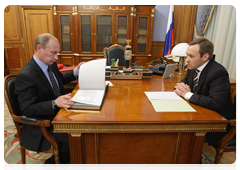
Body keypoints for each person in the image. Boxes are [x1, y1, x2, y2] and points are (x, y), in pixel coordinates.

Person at [15, 33, 85, 170]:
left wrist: (76, 71)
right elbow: (27, 109)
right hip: (44, 122)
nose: (56, 57)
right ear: (39, 48)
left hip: (59, 113)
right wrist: (54, 103)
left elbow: (59, 80)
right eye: (53, 53)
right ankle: (51, 165)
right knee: (75, 138)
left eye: (57, 53)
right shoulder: (26, 75)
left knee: (85, 124)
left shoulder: (50, 64)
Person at [174, 38, 236, 169]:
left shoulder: (218, 73)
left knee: (186, 138)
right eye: (187, 55)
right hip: (199, 112)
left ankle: (194, 165)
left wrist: (188, 95)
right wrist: (180, 87)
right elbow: (183, 84)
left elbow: (215, 103)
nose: (187, 59)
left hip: (219, 122)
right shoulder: (192, 67)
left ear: (205, 57)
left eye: (191, 56)